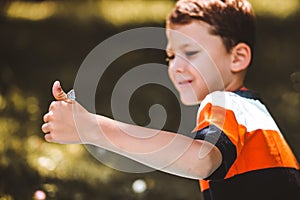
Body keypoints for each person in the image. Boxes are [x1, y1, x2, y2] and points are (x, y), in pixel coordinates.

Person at [42, 0, 300, 199]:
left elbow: (201, 160)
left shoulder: (225, 102)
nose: (175, 66)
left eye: (189, 52)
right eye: (170, 56)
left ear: (237, 57)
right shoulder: (252, 113)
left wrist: (92, 128)